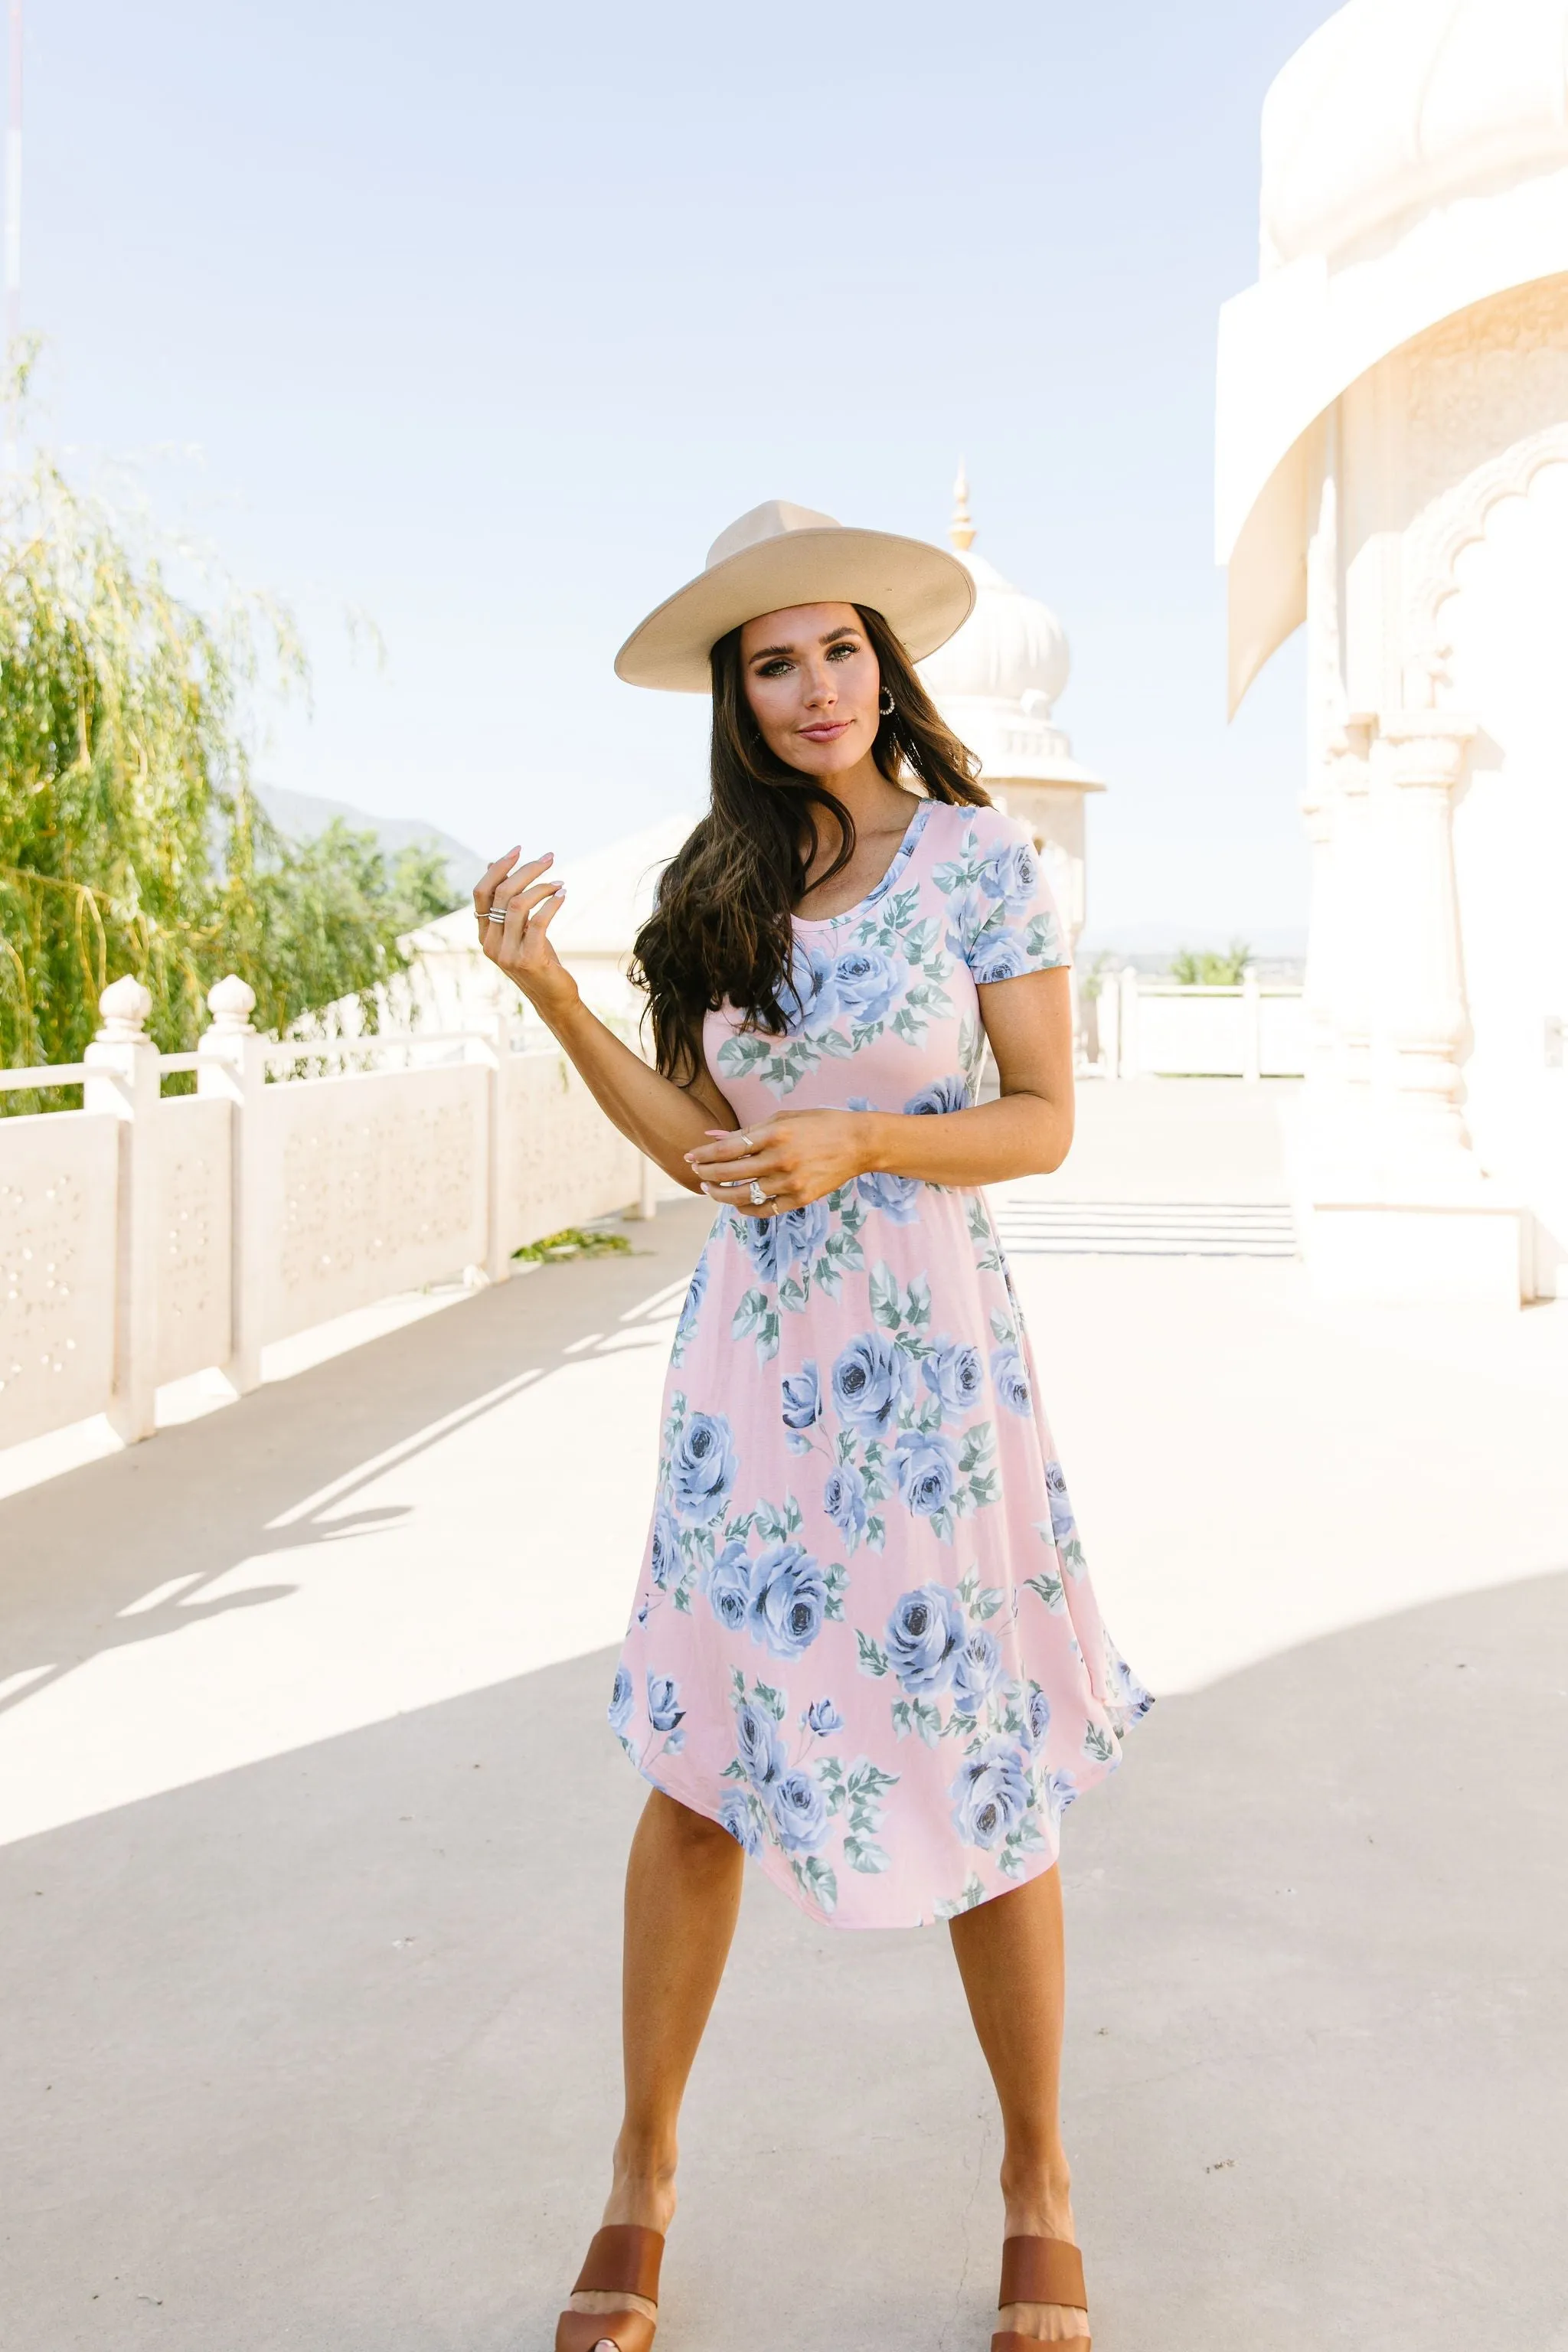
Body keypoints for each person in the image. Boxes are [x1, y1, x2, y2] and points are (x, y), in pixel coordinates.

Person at [474, 500, 1151, 2352]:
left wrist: (863, 1139)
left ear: (884, 661)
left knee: (979, 1767)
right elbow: (696, 1144)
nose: (816, 686)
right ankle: (640, 2180)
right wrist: (546, 989)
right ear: (736, 693)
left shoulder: (978, 861)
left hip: (929, 1368)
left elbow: (1038, 1123)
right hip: (750, 1380)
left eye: (839, 648)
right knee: (696, 1778)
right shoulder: (717, 888)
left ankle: (1038, 2186)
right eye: (774, 661)